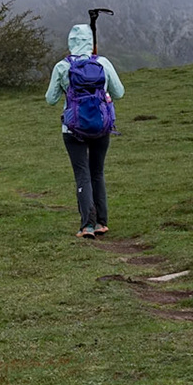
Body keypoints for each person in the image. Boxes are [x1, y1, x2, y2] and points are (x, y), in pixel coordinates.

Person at [45, 23, 124, 238]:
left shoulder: (62, 66)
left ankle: (87, 226)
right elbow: (119, 93)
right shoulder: (103, 63)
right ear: (91, 42)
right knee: (97, 172)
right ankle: (102, 222)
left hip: (73, 129)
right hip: (101, 126)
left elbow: (50, 99)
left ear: (70, 42)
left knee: (82, 174)